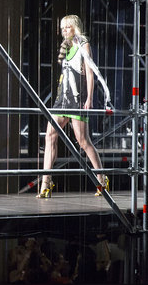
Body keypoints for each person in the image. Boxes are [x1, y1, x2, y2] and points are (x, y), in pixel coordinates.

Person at [37, 14, 109, 198]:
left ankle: (102, 179)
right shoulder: (66, 47)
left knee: (83, 141)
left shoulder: (83, 44)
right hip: (62, 98)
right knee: (50, 135)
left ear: (75, 28)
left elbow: (90, 74)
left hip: (77, 99)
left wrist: (89, 98)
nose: (64, 31)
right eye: (62, 28)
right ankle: (46, 182)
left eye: (67, 28)